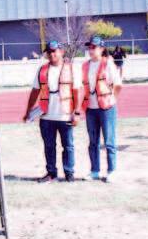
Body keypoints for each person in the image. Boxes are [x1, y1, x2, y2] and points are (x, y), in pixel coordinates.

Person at [22, 40, 82, 182]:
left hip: (65, 116)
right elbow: (35, 91)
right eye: (49, 52)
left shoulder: (72, 69)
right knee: (49, 146)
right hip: (46, 117)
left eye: (54, 51)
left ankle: (69, 173)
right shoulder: (42, 70)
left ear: (61, 52)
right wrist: (28, 111)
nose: (51, 54)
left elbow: (78, 91)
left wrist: (77, 113)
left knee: (68, 146)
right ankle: (51, 173)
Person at [82, 36, 122, 182]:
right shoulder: (85, 65)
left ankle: (112, 171)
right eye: (89, 47)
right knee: (93, 142)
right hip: (90, 109)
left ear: (101, 48)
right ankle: (94, 171)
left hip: (106, 108)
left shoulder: (108, 63)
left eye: (94, 47)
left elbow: (117, 84)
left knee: (109, 141)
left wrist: (113, 99)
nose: (91, 50)